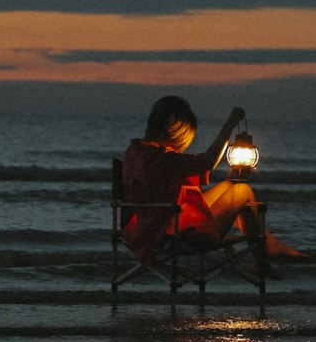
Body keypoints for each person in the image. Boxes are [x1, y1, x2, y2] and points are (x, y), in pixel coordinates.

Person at [120, 95, 305, 275]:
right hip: (169, 235)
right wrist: (230, 125)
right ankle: (263, 253)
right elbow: (207, 161)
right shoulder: (161, 159)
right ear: (174, 131)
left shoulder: (136, 152)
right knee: (242, 190)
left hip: (147, 229)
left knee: (230, 185)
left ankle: (264, 250)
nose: (183, 146)